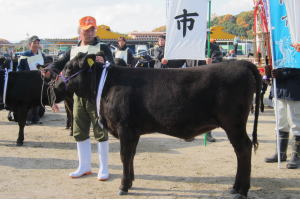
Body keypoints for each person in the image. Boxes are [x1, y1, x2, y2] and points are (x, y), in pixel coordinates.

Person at [44, 16, 114, 180]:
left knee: (100, 131)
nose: (89, 32)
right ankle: (84, 166)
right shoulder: (73, 50)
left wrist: (104, 61)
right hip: (77, 97)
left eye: (92, 29)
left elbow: (113, 66)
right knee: (79, 131)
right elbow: (57, 64)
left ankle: (104, 168)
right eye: (86, 29)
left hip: (97, 97)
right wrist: (49, 70)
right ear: (80, 31)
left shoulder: (102, 47)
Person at [264, 67, 300, 169]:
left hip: (295, 90)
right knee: (280, 123)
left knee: (296, 124)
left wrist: (285, 73)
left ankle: (297, 155)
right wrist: (270, 73)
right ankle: (281, 153)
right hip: (279, 89)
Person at [17, 35, 45, 125]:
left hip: (39, 81)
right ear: (30, 44)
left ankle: (36, 118)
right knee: (28, 101)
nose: (36, 45)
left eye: (37, 43)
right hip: (27, 81)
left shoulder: (42, 55)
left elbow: (45, 66)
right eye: (34, 43)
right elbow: (19, 69)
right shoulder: (24, 55)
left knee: (37, 100)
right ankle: (27, 118)